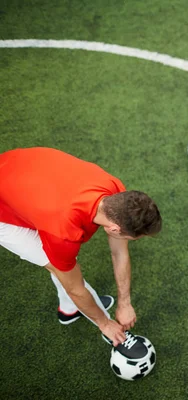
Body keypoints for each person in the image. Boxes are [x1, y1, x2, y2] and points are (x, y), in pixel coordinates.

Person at [0, 147, 162, 357]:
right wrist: (104, 323)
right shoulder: (63, 232)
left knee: (67, 269)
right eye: (135, 237)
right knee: (64, 271)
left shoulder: (114, 191)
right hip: (6, 205)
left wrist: (125, 302)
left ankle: (69, 310)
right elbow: (75, 288)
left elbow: (119, 253)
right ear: (115, 229)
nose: (135, 241)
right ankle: (103, 324)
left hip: (19, 171)